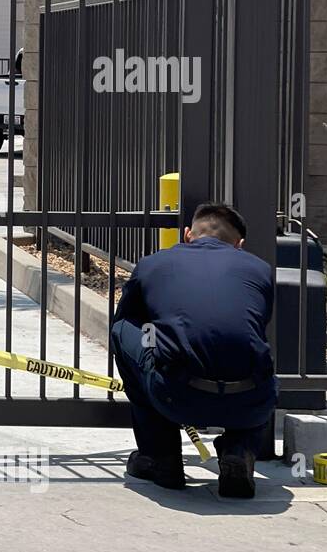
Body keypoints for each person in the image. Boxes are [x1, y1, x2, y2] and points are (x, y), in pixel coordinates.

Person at [109, 202, 278, 498]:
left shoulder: (153, 264)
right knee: (251, 350)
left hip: (177, 394)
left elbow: (128, 316)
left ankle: (161, 456)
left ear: (187, 234)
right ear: (239, 245)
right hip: (251, 401)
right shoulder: (260, 270)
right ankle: (238, 449)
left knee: (122, 329)